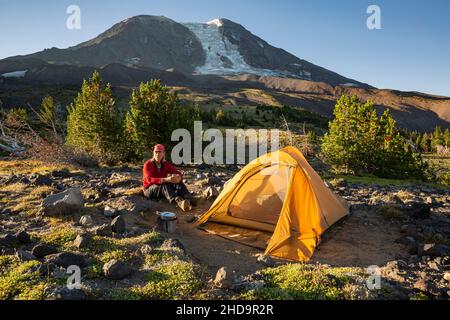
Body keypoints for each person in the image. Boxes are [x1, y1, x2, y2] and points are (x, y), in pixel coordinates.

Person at [142, 144, 193, 212]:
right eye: (156, 152)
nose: (157, 154)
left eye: (160, 152)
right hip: (149, 189)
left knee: (177, 182)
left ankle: (189, 198)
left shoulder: (165, 164)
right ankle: (179, 202)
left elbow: (178, 173)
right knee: (164, 185)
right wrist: (166, 179)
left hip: (161, 187)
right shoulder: (148, 164)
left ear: (163, 153)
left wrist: (178, 178)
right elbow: (149, 179)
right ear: (153, 153)